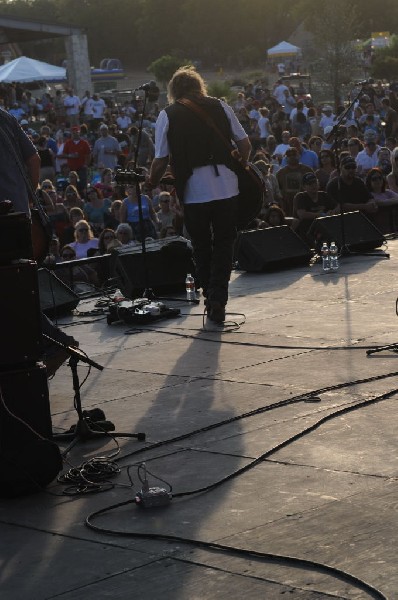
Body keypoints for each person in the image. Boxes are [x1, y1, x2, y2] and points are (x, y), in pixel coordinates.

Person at [148, 66, 251, 324]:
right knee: (225, 243)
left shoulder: (168, 114)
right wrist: (240, 166)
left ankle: (211, 296)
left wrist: (151, 181)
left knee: (202, 247)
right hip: (227, 186)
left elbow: (161, 159)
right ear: (199, 86)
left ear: (173, 91)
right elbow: (245, 144)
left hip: (194, 191)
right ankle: (218, 298)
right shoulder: (221, 106)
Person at [294, 172, 337, 244]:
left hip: (323, 231)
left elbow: (338, 206)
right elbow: (302, 214)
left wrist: (333, 212)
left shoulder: (324, 195)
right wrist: (322, 215)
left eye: (315, 182)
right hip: (306, 232)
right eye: (310, 184)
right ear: (304, 187)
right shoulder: (300, 197)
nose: (313, 185)